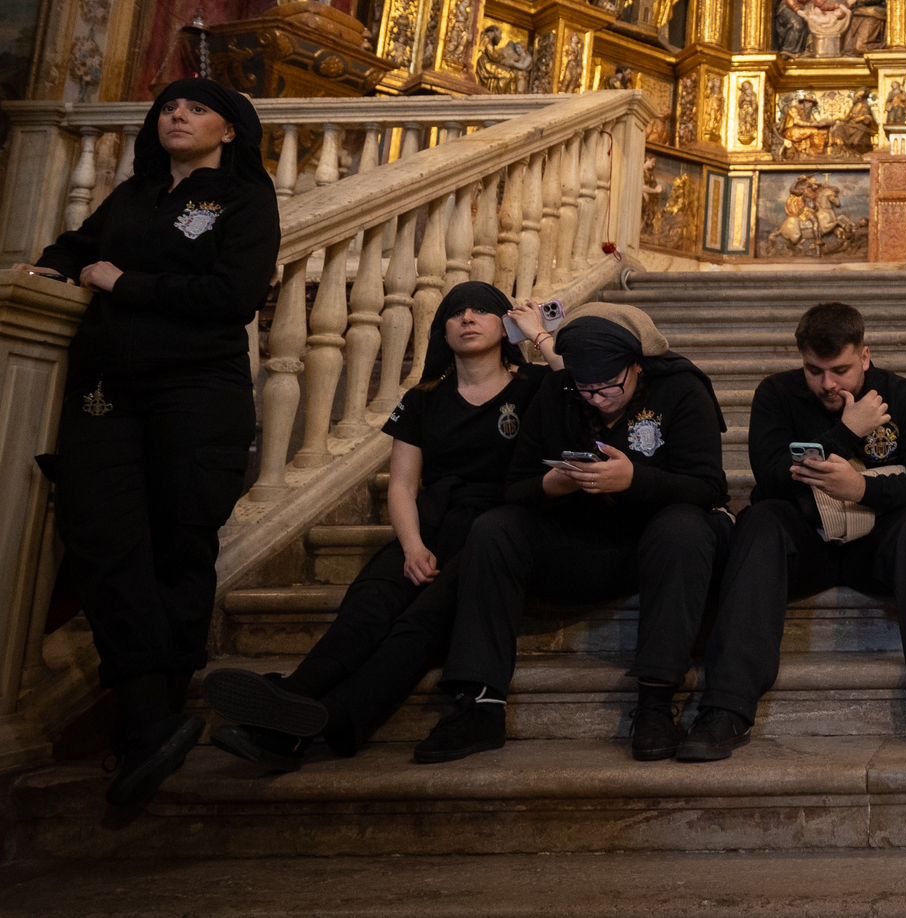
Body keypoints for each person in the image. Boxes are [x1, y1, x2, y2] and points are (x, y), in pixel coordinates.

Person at [22, 80, 280, 805]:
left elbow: (231, 298)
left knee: (179, 544)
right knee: (102, 540)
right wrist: (55, 273)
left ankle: (155, 717)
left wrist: (124, 282)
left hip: (196, 394)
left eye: (196, 108)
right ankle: (147, 715)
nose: (177, 115)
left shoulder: (242, 199)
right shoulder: (132, 197)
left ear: (229, 130)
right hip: (106, 391)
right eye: (170, 106)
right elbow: (70, 253)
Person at [201, 284, 559, 770]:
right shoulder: (423, 398)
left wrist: (541, 337)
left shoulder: (534, 387)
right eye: (455, 312)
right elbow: (402, 486)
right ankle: (292, 702)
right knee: (369, 602)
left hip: (494, 531)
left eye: (481, 310)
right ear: (442, 331)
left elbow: (579, 396)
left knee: (419, 624)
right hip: (429, 522)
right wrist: (411, 547)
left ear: (506, 324)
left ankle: (326, 720)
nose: (467, 318)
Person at [412, 303, 729, 763]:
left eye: (609, 387)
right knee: (495, 529)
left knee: (684, 528)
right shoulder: (561, 390)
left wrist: (635, 480)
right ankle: (480, 703)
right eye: (586, 388)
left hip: (653, 548)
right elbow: (515, 486)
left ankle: (657, 702)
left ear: (637, 367)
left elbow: (708, 486)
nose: (596, 399)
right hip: (578, 542)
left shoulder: (680, 389)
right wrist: (553, 484)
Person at [678, 302, 906, 762]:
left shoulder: (904, 397)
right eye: (814, 371)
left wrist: (863, 487)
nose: (827, 383)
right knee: (760, 520)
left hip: (878, 546)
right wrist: (845, 431)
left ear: (865, 355)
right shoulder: (777, 394)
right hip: (804, 547)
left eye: (839, 369)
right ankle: (725, 708)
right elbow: (772, 477)